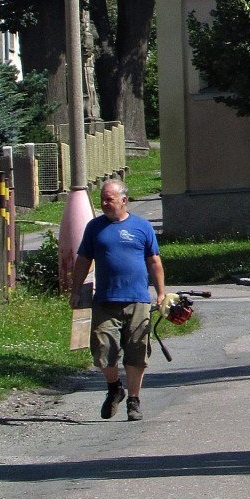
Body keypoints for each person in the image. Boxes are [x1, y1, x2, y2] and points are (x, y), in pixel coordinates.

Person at [70, 177, 165, 423]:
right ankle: (114, 387)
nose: (104, 203)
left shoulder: (142, 227)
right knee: (103, 351)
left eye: (109, 200)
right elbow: (83, 260)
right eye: (102, 199)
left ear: (124, 201)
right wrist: (75, 289)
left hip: (138, 300)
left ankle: (133, 400)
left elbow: (154, 262)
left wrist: (161, 292)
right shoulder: (94, 228)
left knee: (137, 352)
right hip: (105, 300)